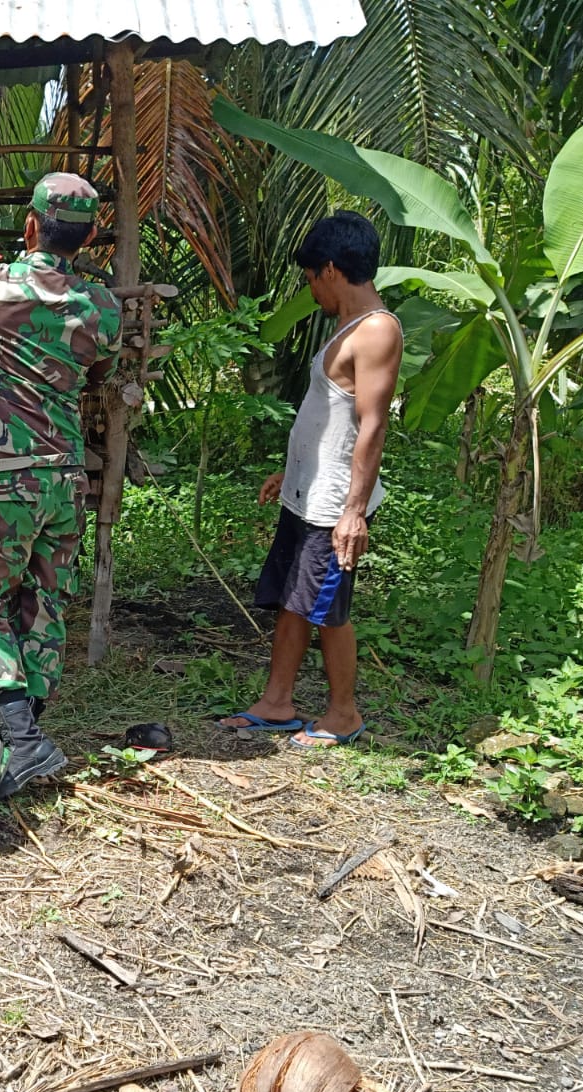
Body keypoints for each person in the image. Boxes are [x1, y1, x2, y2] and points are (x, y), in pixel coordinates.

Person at [0, 173, 122, 800]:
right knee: (44, 600)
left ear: (31, 225)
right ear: (90, 234)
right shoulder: (103, 308)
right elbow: (103, 362)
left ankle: (21, 737)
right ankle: (28, 737)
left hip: (5, 477)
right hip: (66, 478)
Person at [219, 210, 403, 749]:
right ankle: (277, 702)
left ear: (328, 270)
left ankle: (343, 713)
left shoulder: (375, 331)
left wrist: (353, 509)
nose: (310, 290)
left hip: (333, 505)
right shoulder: (348, 328)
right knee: (293, 599)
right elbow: (332, 417)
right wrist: (292, 469)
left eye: (309, 278)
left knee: (327, 608)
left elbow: (373, 423)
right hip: (309, 493)